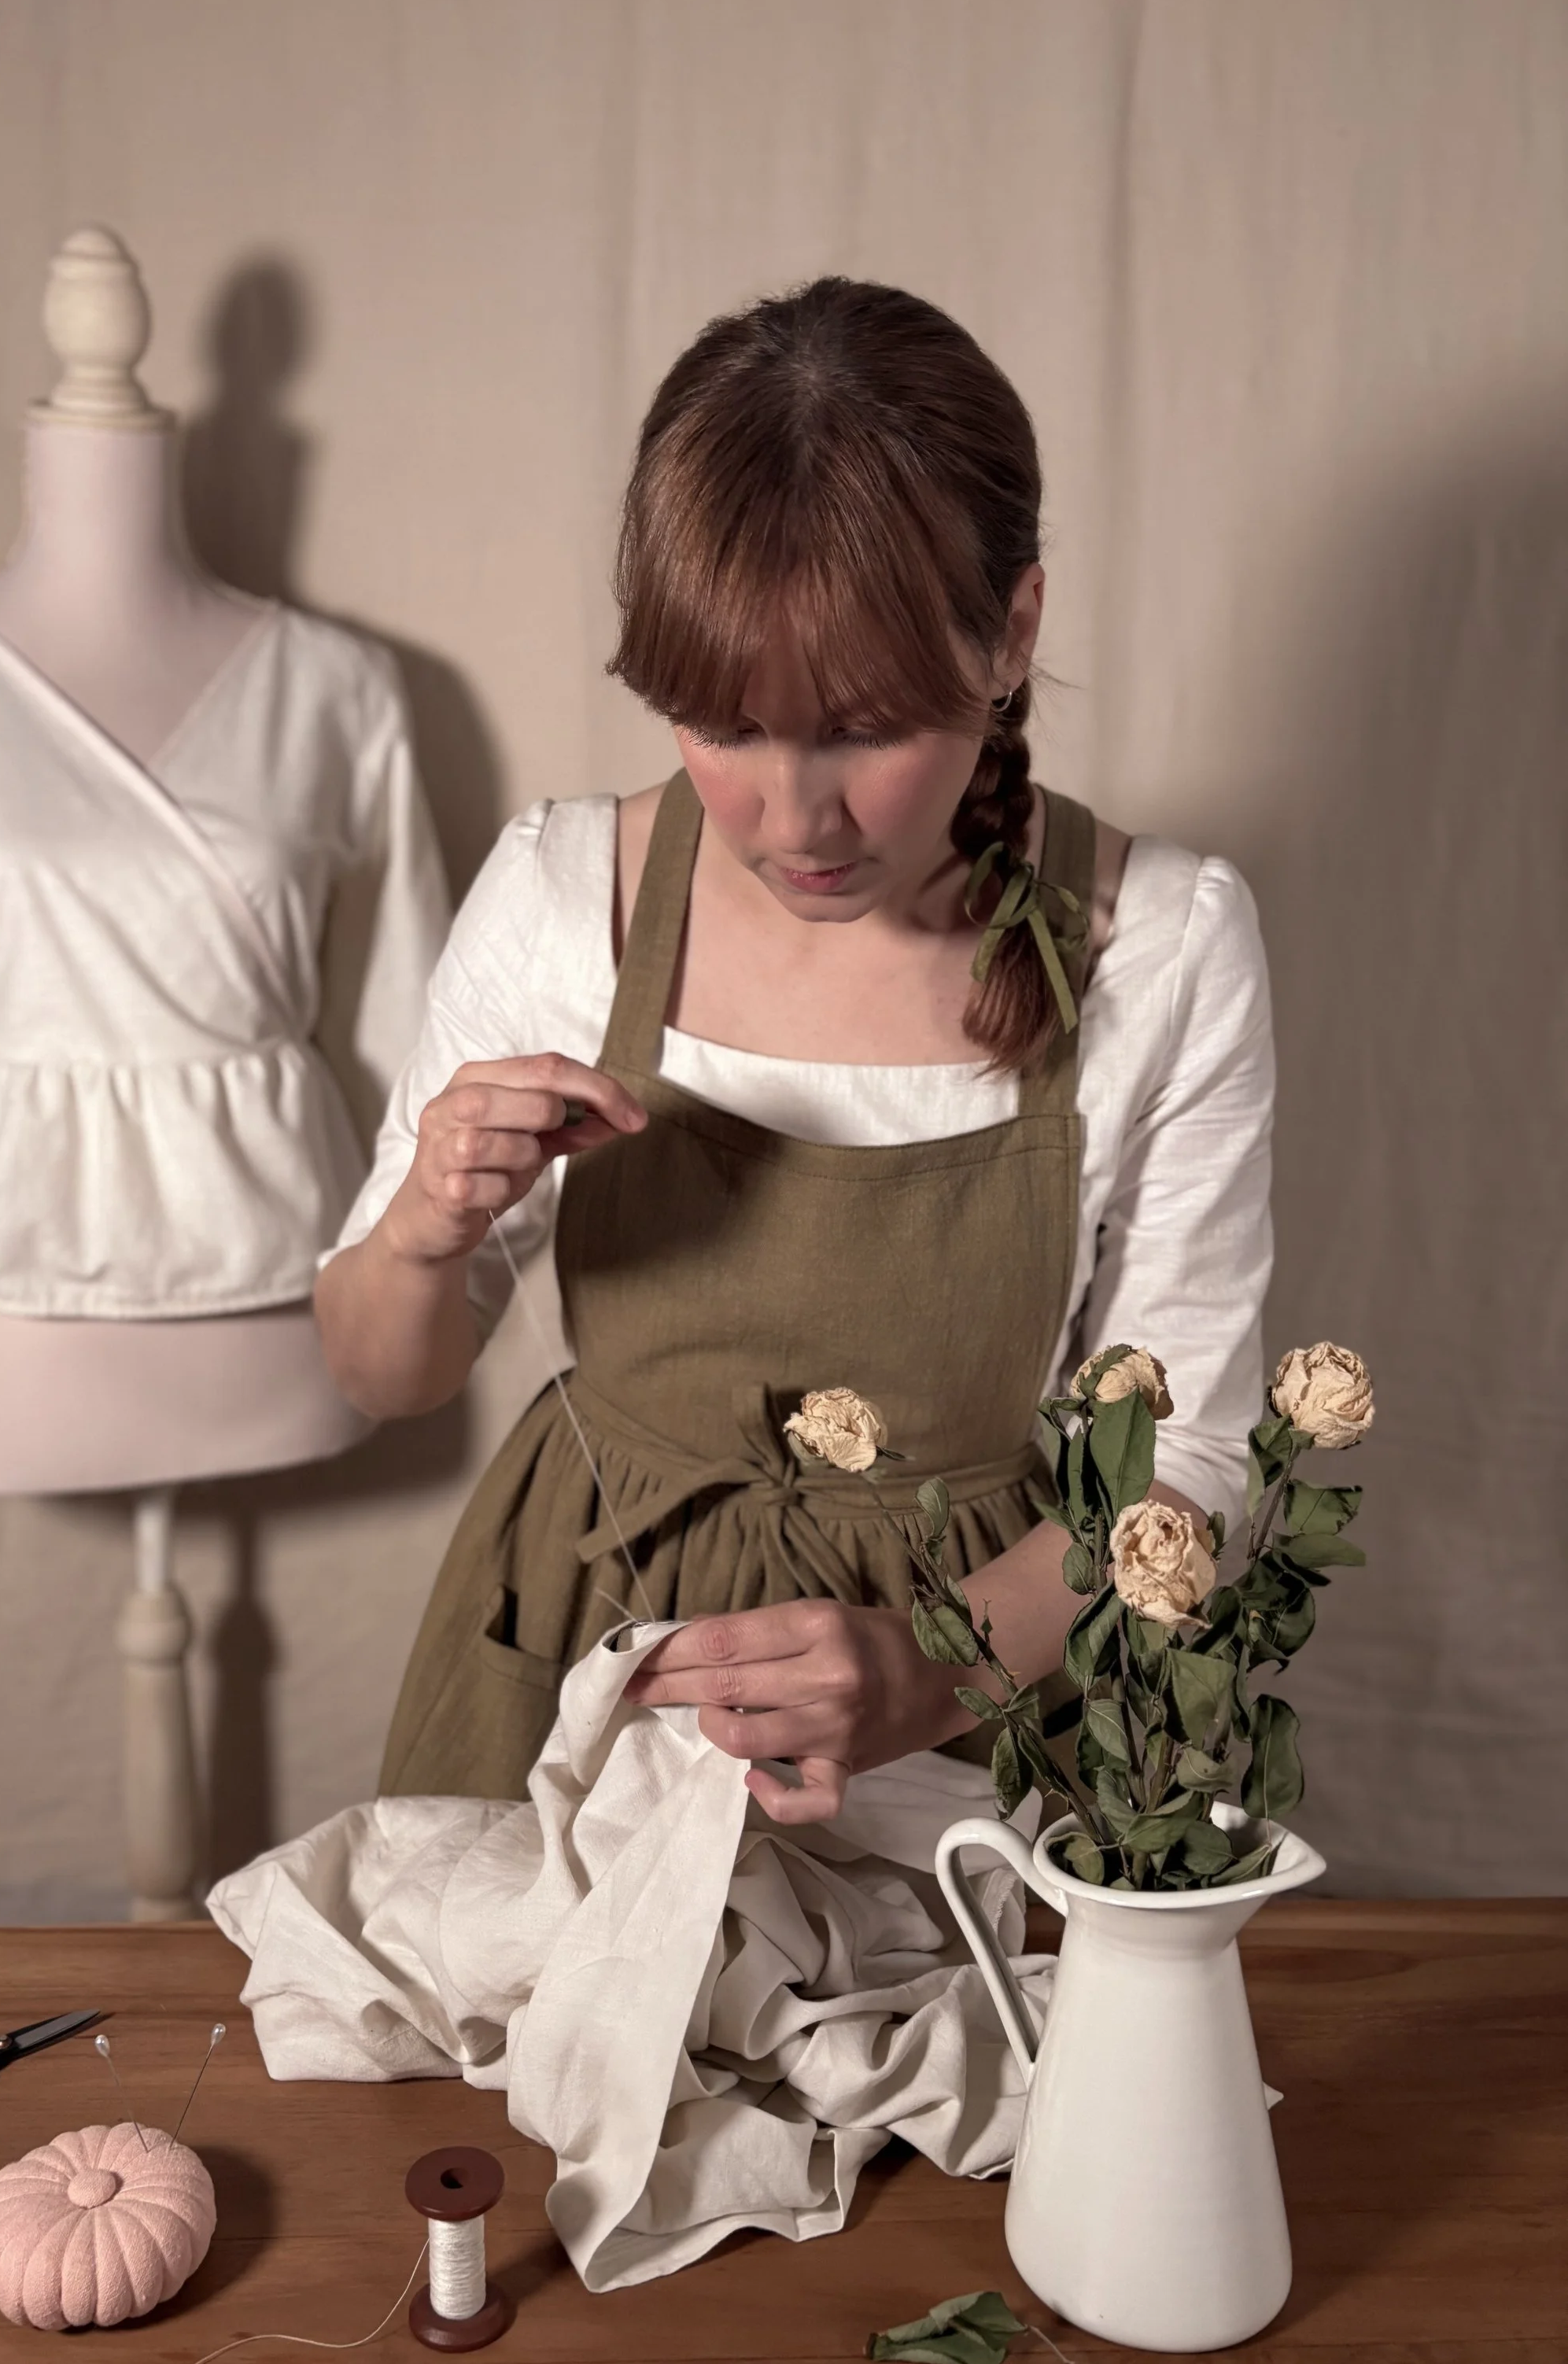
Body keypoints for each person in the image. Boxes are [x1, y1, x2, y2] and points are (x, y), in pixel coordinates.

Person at [315, 277, 1272, 1827]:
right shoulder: (569, 892)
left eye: (862, 724)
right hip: (578, 1693)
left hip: (982, 1728)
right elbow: (381, 1369)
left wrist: (922, 1674)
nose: (791, 816)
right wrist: (422, 1228)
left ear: (1010, 630)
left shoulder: (1157, 941)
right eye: (722, 723)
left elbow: (1186, 1464)